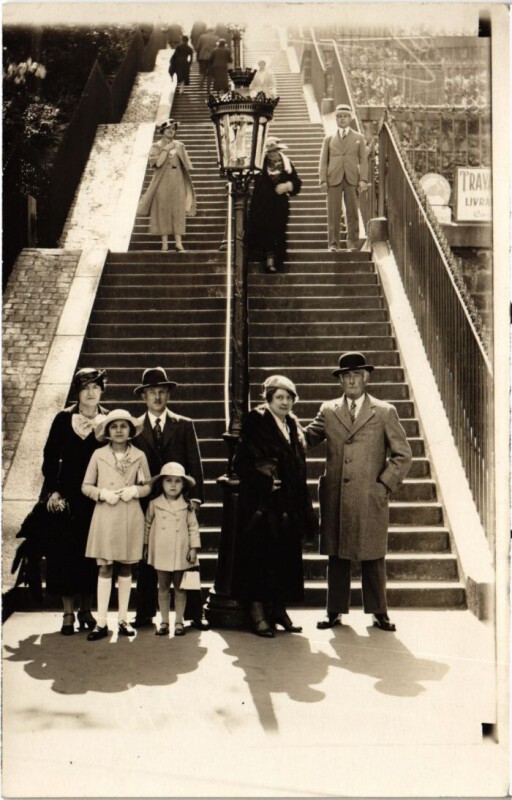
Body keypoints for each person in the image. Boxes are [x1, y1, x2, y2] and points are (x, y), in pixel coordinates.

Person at [305, 352, 412, 632]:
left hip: (369, 495)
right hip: (336, 495)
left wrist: (383, 485)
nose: (351, 381)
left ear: (366, 378)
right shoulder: (328, 410)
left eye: (356, 375)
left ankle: (379, 612)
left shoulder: (384, 411)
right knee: (336, 555)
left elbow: (403, 455)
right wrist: (280, 429)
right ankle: (334, 611)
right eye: (346, 376)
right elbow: (306, 438)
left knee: (373, 554)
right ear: (340, 381)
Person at [232, 375, 317, 637]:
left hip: (289, 504)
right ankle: (258, 614)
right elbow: (241, 462)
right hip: (263, 504)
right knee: (259, 559)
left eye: (289, 397)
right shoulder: (256, 421)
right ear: (269, 399)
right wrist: (265, 480)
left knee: (284, 558)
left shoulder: (292, 424)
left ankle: (279, 610)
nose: (285, 402)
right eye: (279, 397)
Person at [130, 367, 207, 631]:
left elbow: (194, 462)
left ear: (168, 395)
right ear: (143, 396)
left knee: (189, 560)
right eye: (152, 392)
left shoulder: (183, 425)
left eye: (162, 392)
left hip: (179, 501)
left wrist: (195, 498)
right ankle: (144, 613)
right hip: (148, 502)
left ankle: (195, 612)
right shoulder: (135, 428)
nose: (157, 397)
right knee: (148, 557)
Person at [41, 368, 108, 636]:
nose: (91, 393)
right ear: (77, 392)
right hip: (67, 496)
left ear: (102, 390)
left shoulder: (109, 420)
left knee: (91, 555)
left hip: (96, 497)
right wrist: (53, 491)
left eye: (95, 387)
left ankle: (86, 610)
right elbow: (49, 457)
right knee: (64, 554)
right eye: (85, 388)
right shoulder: (63, 419)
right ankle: (68, 612)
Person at [82, 409, 151, 641]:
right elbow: (86, 486)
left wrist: (135, 491)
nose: (119, 430)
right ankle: (101, 622)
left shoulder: (139, 455)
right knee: (104, 567)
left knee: (126, 567)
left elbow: (148, 486)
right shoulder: (98, 454)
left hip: (129, 515)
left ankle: (123, 619)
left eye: (123, 426)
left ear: (130, 430)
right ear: (107, 431)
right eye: (114, 426)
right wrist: (102, 494)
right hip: (105, 515)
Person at [145, 462, 201, 638]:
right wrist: (146, 546)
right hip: (161, 550)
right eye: (168, 480)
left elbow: (193, 527)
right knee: (162, 586)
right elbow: (147, 525)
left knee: (180, 588)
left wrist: (193, 548)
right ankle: (164, 621)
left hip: (180, 550)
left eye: (177, 481)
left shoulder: (187, 505)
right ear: (161, 483)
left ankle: (179, 622)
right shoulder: (154, 504)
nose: (173, 485)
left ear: (183, 485)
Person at [136, 119, 196, 253]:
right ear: (162, 131)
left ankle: (178, 243)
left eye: (173, 129)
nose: (171, 131)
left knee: (178, 210)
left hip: (177, 179)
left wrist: (177, 151)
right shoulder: (156, 145)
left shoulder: (180, 145)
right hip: (162, 180)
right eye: (168, 128)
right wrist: (166, 149)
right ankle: (164, 244)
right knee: (162, 210)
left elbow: (187, 165)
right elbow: (157, 163)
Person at [318, 103, 368, 252]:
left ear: (350, 118)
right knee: (333, 213)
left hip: (351, 178)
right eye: (339, 116)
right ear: (336, 119)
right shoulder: (329, 139)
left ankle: (352, 244)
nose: (342, 119)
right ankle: (333, 244)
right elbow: (323, 161)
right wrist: (323, 180)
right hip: (333, 178)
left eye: (345, 116)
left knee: (352, 212)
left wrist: (363, 179)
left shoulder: (359, 138)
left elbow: (363, 160)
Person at [247, 137, 302, 273]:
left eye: (275, 150)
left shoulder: (287, 164)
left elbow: (296, 182)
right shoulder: (259, 164)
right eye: (269, 151)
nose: (272, 154)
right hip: (261, 204)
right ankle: (263, 259)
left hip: (279, 205)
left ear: (279, 150)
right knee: (261, 231)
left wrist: (287, 186)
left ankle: (275, 261)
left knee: (277, 232)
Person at [196, 26, 217, 93]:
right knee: (210, 74)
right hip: (212, 58)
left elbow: (198, 47)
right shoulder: (216, 38)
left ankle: (200, 87)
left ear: (207, 31)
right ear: (213, 31)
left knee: (202, 72)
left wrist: (198, 56)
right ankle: (208, 89)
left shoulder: (202, 37)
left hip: (202, 57)